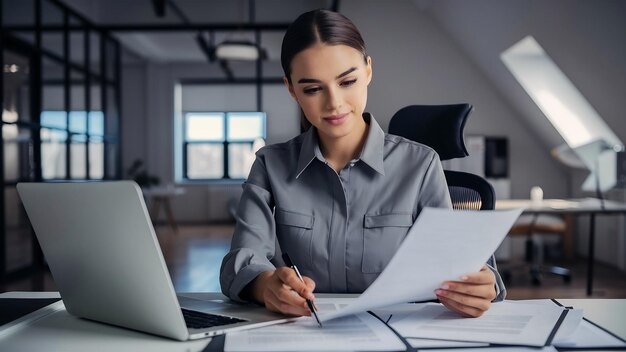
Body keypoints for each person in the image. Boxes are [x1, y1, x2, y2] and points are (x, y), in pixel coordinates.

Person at [220, 9, 505, 318]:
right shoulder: (269, 166)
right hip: (301, 333)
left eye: (348, 81)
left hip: (399, 331)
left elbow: (460, 263)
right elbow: (242, 260)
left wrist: (479, 285)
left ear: (368, 70)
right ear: (291, 89)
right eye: (313, 89)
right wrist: (265, 285)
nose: (334, 103)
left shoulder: (421, 165)